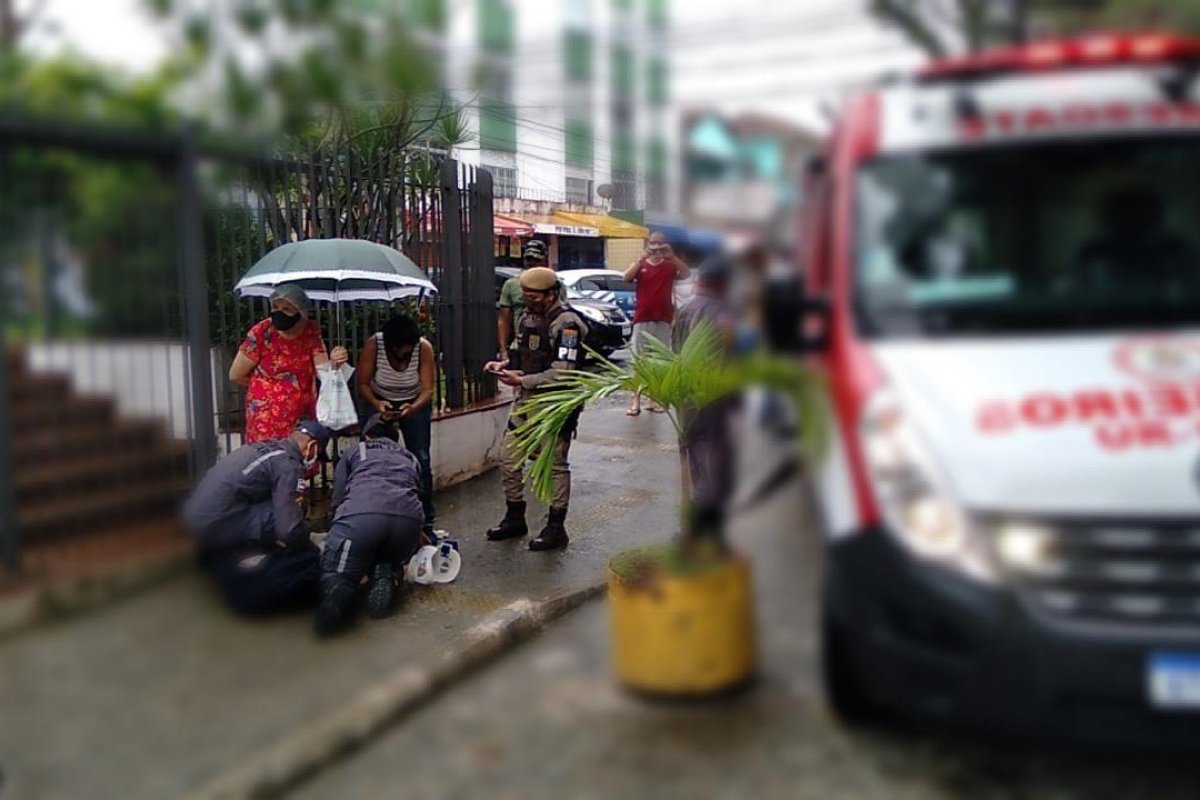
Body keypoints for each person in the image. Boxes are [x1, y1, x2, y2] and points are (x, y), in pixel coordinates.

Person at [483, 267, 589, 551]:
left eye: (533, 296)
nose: (528, 301)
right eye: (525, 296)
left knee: (554, 466)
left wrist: (523, 379)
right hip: (526, 401)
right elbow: (523, 353)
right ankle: (515, 516)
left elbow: (564, 371)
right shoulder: (528, 318)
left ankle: (556, 527)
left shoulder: (567, 324)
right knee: (508, 457)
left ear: (551, 294)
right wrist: (504, 365)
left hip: (555, 406)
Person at [182, 420, 331, 615]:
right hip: (213, 527)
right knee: (290, 510)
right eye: (317, 456)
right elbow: (288, 529)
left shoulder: (264, 447)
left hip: (195, 520)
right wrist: (310, 547)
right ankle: (260, 557)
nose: (315, 463)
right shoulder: (289, 465)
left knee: (280, 504)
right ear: (311, 447)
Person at [314, 414, 427, 636]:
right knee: (387, 553)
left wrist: (335, 529)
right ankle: (387, 572)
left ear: (367, 435)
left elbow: (338, 497)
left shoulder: (357, 452)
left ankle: (339, 590)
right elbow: (419, 495)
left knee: (340, 570)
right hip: (407, 524)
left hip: (361, 519)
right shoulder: (410, 457)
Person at [228, 283, 349, 443]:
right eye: (275, 307)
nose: (279, 313)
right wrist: (268, 389)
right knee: (268, 459)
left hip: (301, 415)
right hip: (266, 417)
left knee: (302, 457)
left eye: (286, 309)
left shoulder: (310, 331)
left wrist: (335, 363)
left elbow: (325, 373)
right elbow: (235, 375)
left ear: (301, 310)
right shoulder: (263, 332)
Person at [673, 256, 738, 544]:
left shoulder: (685, 311)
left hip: (688, 404)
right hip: (718, 403)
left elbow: (676, 356)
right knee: (717, 472)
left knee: (700, 467)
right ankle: (705, 535)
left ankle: (697, 533)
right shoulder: (727, 315)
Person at [355, 313, 437, 534]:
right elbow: (362, 383)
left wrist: (413, 407)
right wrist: (377, 403)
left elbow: (428, 388)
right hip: (380, 399)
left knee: (421, 458)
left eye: (409, 347)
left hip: (414, 401)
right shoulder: (375, 345)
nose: (405, 352)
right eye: (400, 348)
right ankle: (370, 508)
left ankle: (426, 516)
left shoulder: (423, 348)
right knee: (372, 456)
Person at [624, 230, 690, 416]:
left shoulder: (670, 265)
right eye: (653, 243)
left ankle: (654, 399)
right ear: (648, 243)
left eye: (660, 244)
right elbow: (626, 277)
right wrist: (640, 259)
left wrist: (672, 256)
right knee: (638, 360)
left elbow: (685, 274)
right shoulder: (641, 264)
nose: (657, 247)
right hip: (642, 318)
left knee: (659, 361)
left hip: (664, 318)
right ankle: (635, 400)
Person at [497, 239, 550, 363]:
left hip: (547, 346)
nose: (532, 263)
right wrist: (503, 351)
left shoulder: (554, 285)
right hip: (521, 347)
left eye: (536, 260)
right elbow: (504, 319)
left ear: (545, 260)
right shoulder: (512, 284)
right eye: (529, 259)